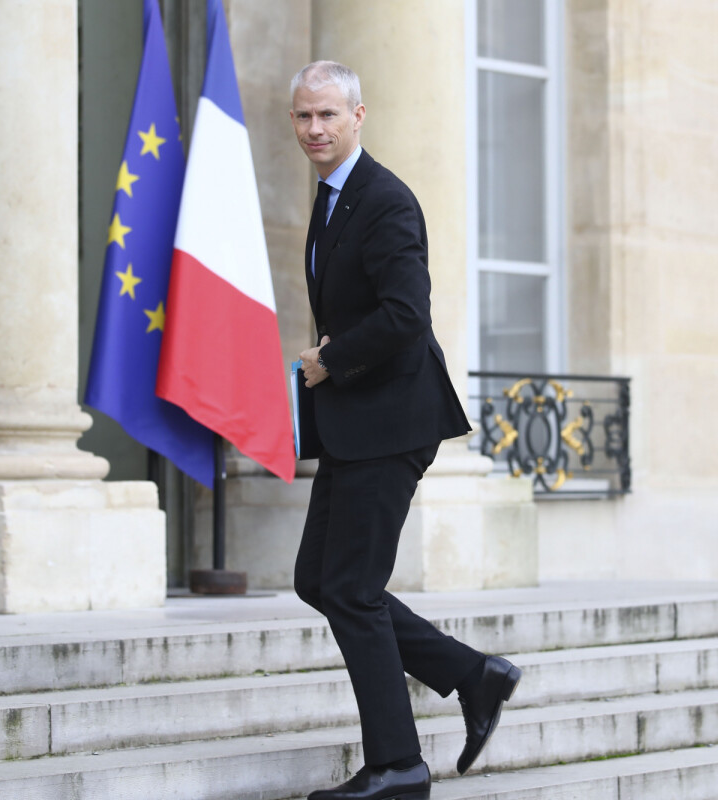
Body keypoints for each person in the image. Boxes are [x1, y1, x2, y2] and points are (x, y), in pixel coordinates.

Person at [290, 62, 521, 800]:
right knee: (318, 581)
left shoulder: (384, 200)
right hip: (361, 422)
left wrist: (331, 362)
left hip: (391, 419)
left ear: (360, 114)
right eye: (303, 117)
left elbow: (405, 316)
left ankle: (397, 765)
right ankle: (471, 673)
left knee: (351, 589)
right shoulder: (333, 200)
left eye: (328, 115)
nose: (315, 129)